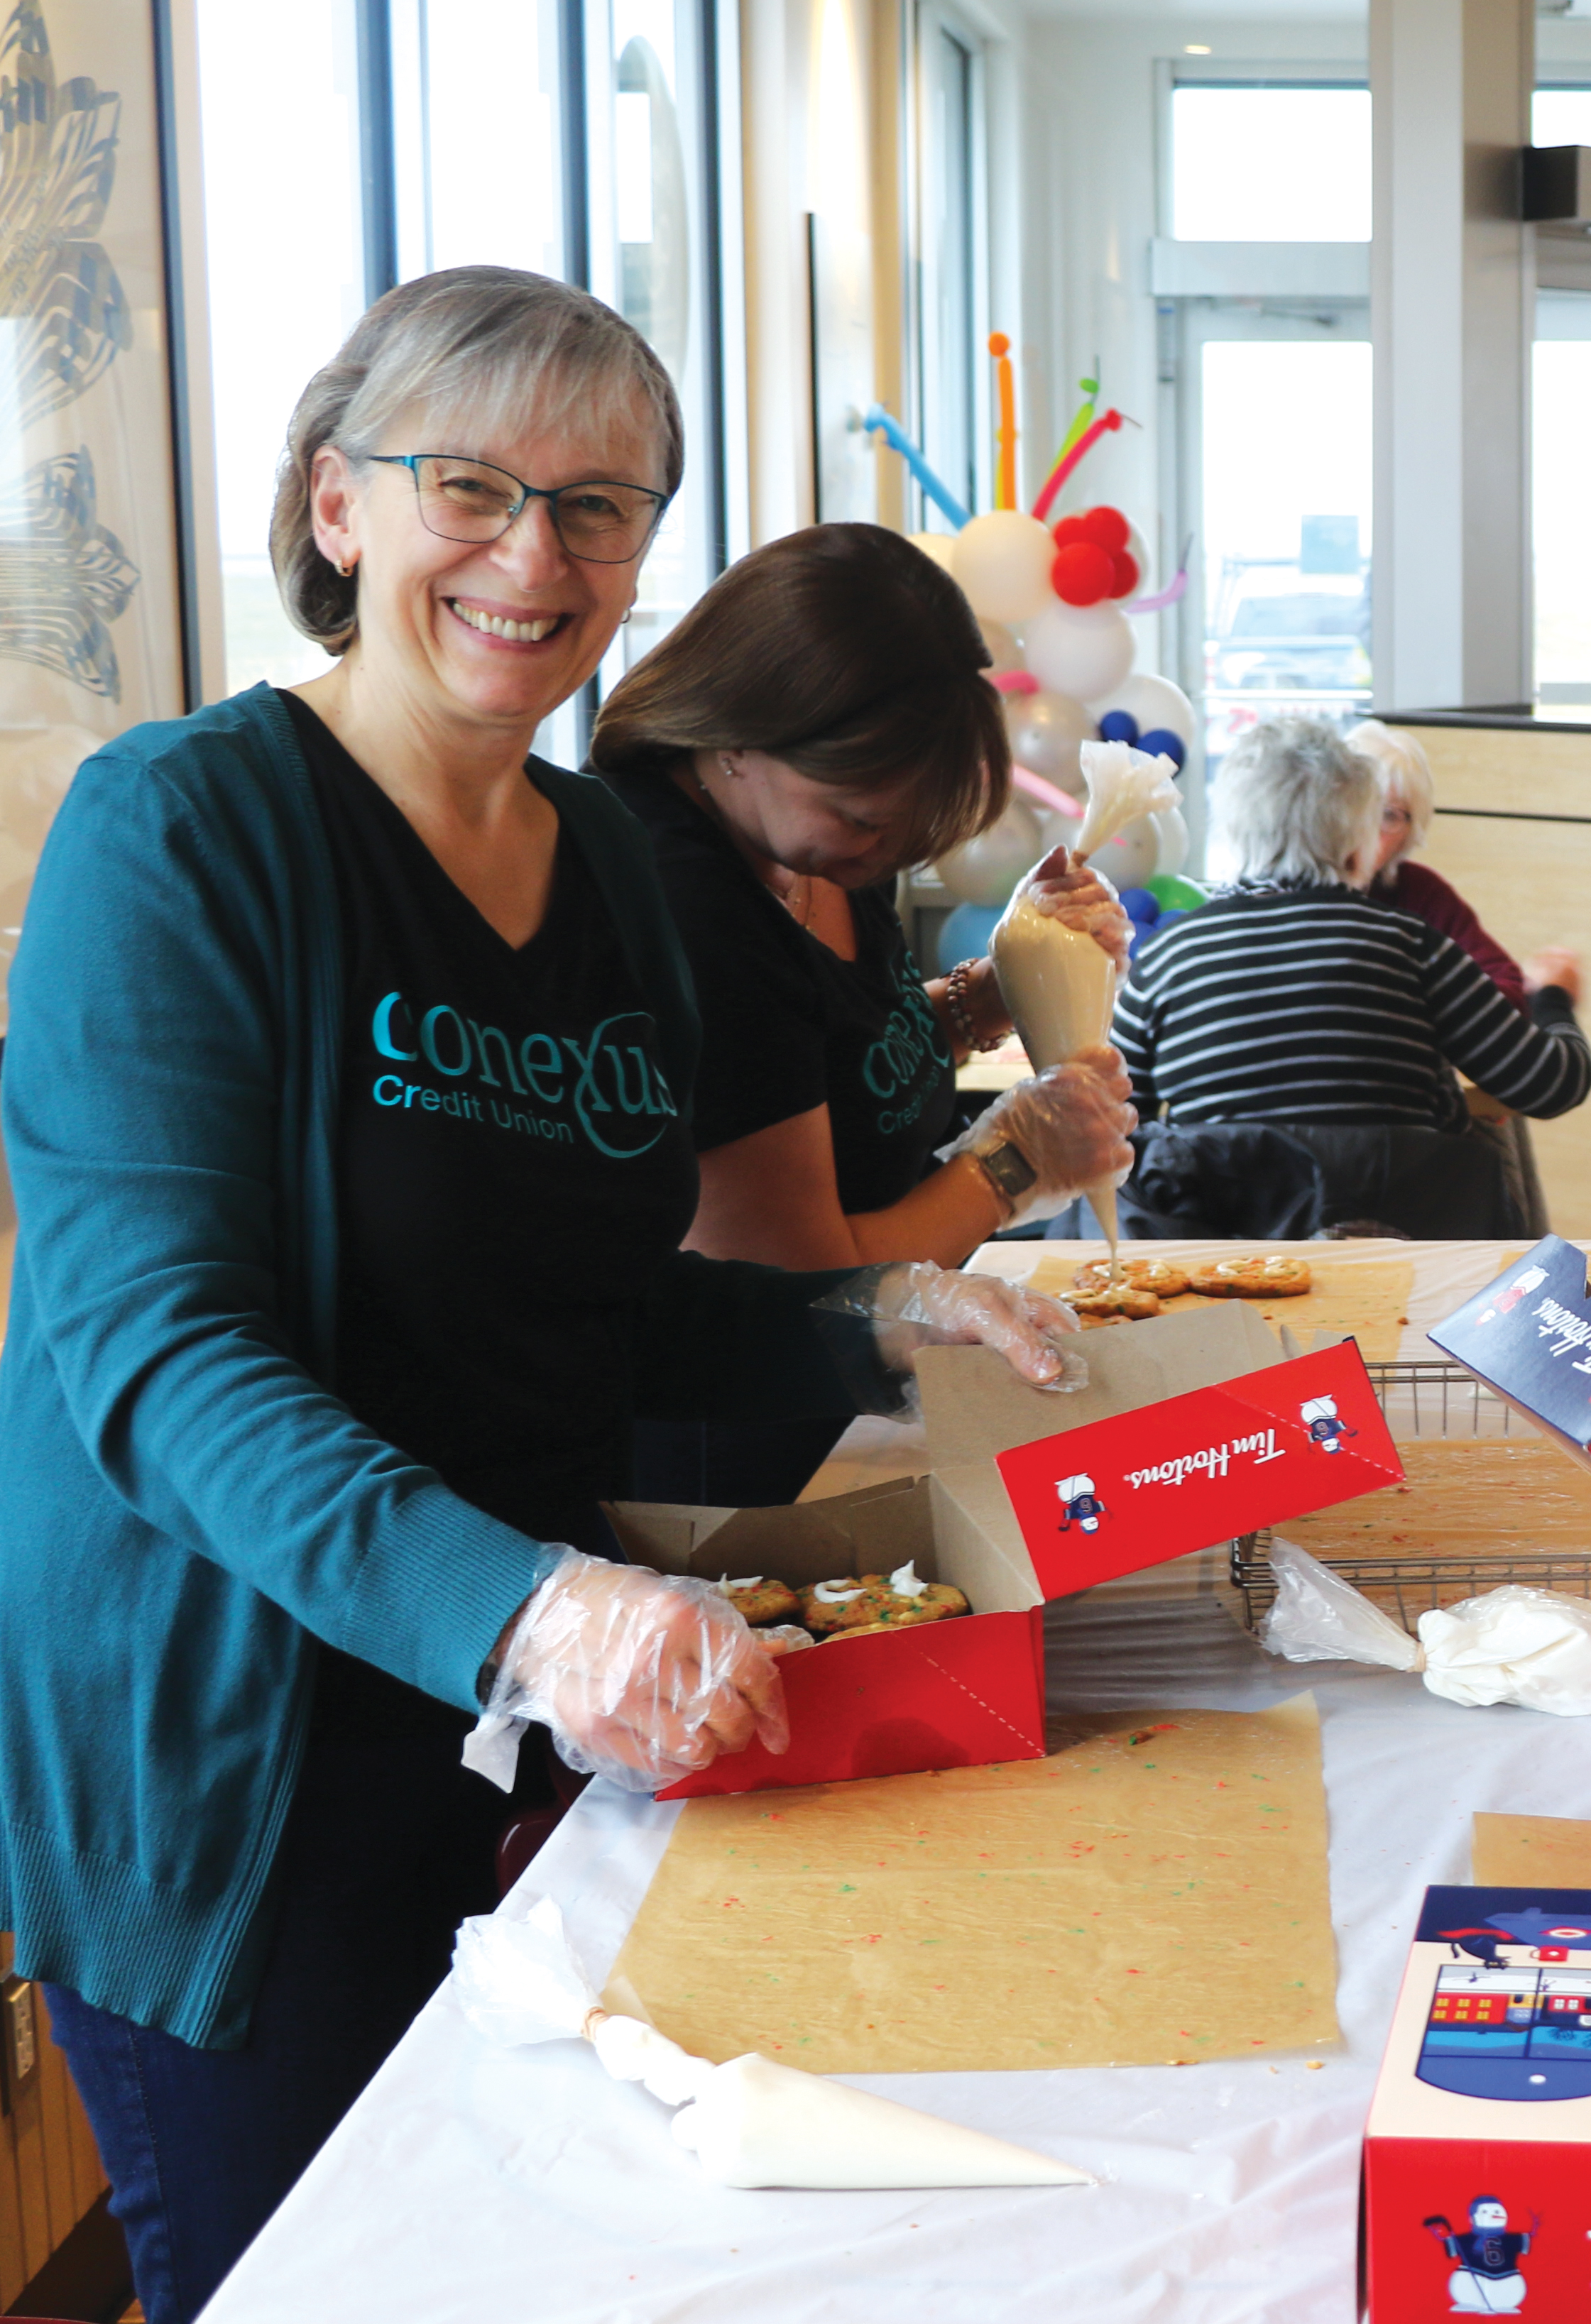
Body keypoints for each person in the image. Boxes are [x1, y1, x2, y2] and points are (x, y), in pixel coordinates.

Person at [0, 268, 1076, 2324]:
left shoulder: (604, 869)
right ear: (338, 506)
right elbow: (150, 1358)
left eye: (601, 508)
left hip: (512, 1704)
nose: (534, 554)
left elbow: (599, 1303)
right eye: (468, 487)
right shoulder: (187, 828)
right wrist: (528, 1608)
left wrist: (879, 1325)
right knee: (301, 2270)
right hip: (230, 1736)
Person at [591, 523, 1136, 1508]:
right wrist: (1012, 1163)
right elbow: (809, 1283)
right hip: (738, 1456)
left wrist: (993, 992)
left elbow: (839, 1057)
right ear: (739, 730)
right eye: (857, 819)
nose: (877, 851)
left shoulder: (808, 851)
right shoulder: (685, 903)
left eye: (905, 830)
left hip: (850, 1409)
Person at [1110, 718, 1590, 1237]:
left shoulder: (1166, 960)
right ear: (1357, 840)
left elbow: (1111, 1125)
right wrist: (1553, 998)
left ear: (1232, 832)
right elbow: (1549, 1086)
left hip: (1222, 1273)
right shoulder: (1414, 947)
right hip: (1411, 1270)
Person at [1343, 718, 1526, 1004]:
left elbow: (1506, 982)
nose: (1369, 828)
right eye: (1360, 807)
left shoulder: (1421, 892)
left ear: (1408, 834)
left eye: (1389, 815)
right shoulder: (1290, 889)